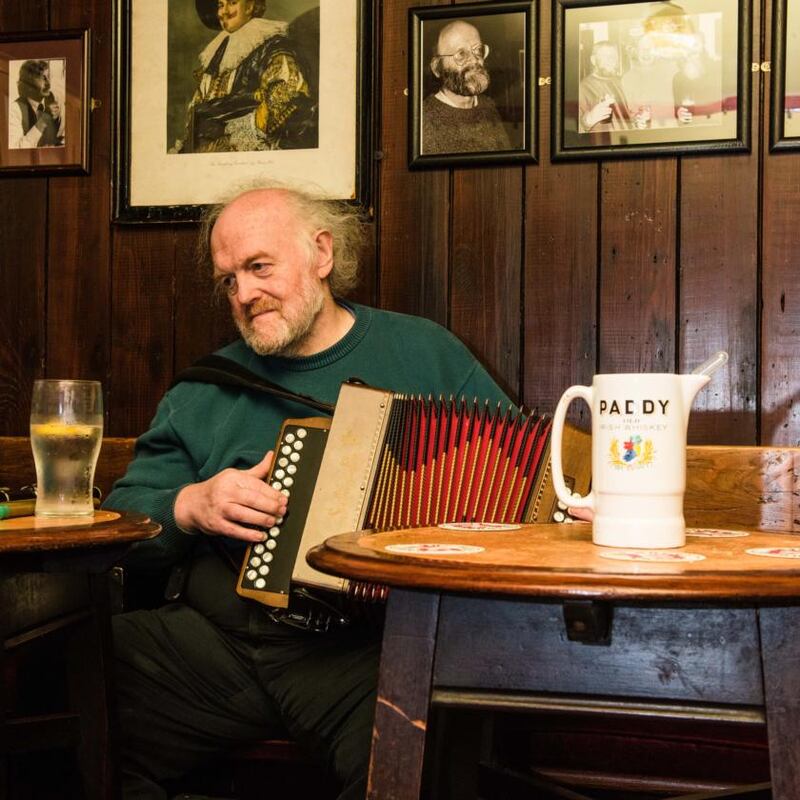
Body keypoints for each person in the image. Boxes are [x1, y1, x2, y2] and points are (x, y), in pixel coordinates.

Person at [106, 184, 512, 799]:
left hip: (364, 651)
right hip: (215, 646)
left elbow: (520, 480)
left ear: (321, 253)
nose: (242, 295)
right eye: (228, 280)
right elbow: (121, 525)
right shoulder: (204, 388)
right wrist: (190, 505)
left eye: (258, 267)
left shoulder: (423, 351)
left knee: (426, 756)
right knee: (57, 678)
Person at [170, 0, 317, 154]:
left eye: (232, 2)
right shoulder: (217, 54)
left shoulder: (271, 47)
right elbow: (198, 107)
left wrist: (230, 138)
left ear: (250, 6)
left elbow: (286, 96)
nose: (224, 12)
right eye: (220, 5)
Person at [421, 19, 512, 154]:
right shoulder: (424, 121)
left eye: (478, 50)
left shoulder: (488, 105)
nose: (475, 60)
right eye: (461, 54)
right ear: (437, 68)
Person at [621, 33, 679, 129]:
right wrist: (637, 120)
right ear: (636, 51)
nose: (646, 52)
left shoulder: (671, 70)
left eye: (650, 48)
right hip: (646, 133)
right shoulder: (628, 78)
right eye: (642, 49)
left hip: (671, 132)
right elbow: (630, 112)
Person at [8, 59, 64, 149]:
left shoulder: (54, 102)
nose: (48, 84)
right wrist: (43, 121)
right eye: (42, 78)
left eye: (49, 77)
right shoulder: (14, 110)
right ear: (28, 84)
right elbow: (16, 149)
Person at [578, 41, 631, 134]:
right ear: (594, 60)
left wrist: (637, 120)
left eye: (614, 57)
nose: (611, 60)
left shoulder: (619, 82)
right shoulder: (583, 87)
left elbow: (625, 115)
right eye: (605, 56)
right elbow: (571, 129)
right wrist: (589, 120)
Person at [672, 33, 723, 125]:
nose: (692, 49)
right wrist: (679, 114)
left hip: (713, 126)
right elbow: (677, 110)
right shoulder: (677, 78)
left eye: (696, 44)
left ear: (703, 46)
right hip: (688, 128)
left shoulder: (716, 69)